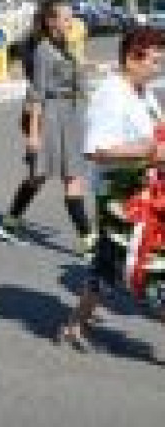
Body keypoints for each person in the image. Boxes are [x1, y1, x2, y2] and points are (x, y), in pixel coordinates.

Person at [57, 27, 165, 351]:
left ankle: (74, 325)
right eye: (155, 61)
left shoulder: (142, 91)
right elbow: (95, 149)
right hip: (122, 197)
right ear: (133, 57)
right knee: (150, 267)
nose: (158, 67)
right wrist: (147, 152)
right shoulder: (111, 94)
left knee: (109, 260)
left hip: (147, 191)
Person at [0, 0, 95, 254]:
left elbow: (80, 83)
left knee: (73, 176)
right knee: (38, 176)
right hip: (49, 116)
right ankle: (9, 223)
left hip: (71, 116)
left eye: (71, 18)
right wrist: (33, 135)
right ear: (51, 22)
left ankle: (88, 241)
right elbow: (37, 94)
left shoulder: (68, 47)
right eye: (65, 18)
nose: (70, 23)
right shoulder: (43, 49)